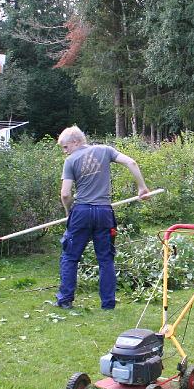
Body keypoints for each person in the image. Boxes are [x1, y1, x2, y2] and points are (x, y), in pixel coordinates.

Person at [55, 126, 149, 310]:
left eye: (65, 147)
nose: (64, 152)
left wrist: (69, 213)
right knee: (105, 259)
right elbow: (132, 163)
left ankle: (65, 300)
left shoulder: (70, 161)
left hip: (81, 212)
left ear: (75, 141)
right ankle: (108, 304)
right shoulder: (105, 150)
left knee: (70, 257)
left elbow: (65, 194)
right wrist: (142, 188)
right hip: (104, 212)